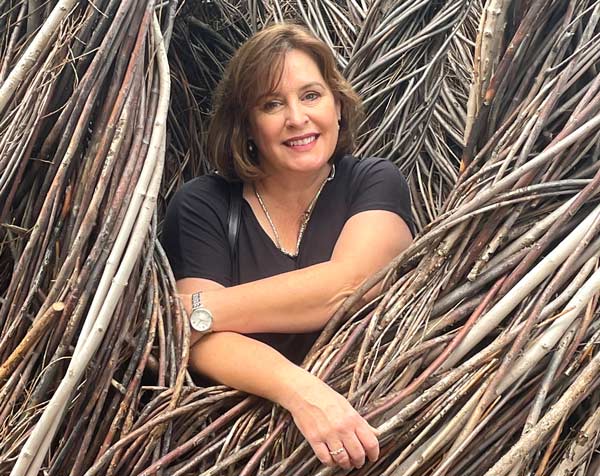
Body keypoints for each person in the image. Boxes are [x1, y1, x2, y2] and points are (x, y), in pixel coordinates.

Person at [162, 23, 414, 471]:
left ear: (337, 105)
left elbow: (346, 285)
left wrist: (196, 311)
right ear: (247, 126)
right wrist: (301, 392)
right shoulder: (204, 204)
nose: (297, 118)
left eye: (311, 95)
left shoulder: (373, 182)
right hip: (235, 453)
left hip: (371, 443)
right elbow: (194, 347)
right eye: (272, 104)